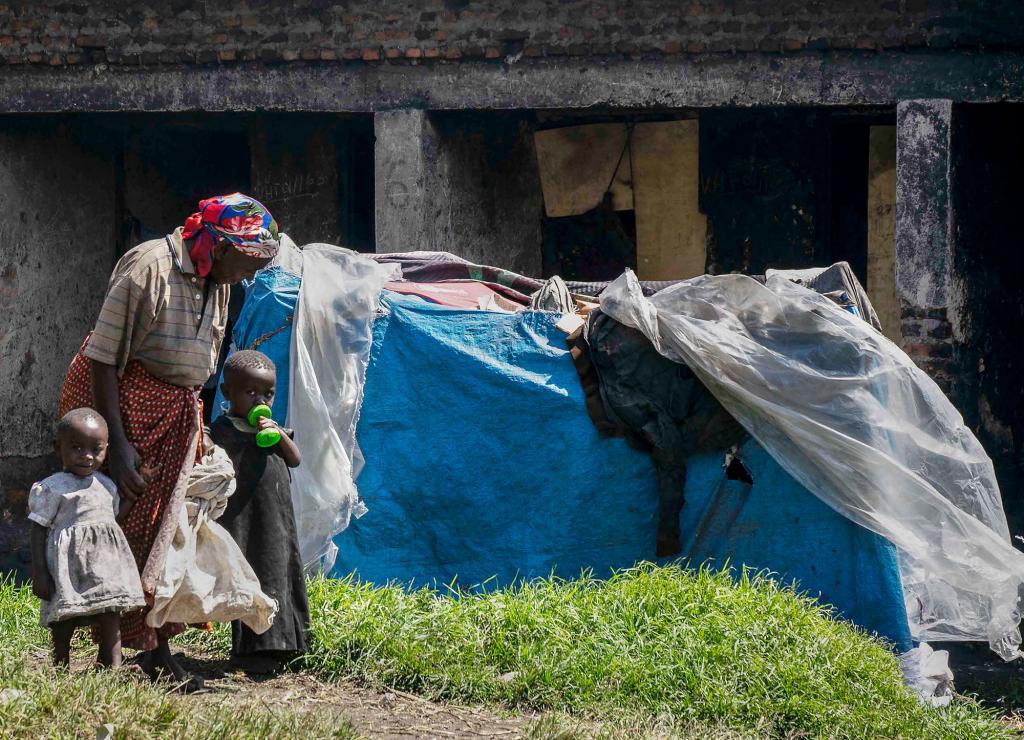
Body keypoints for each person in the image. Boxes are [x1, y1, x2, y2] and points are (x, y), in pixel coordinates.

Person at [58, 193, 280, 690]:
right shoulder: (149, 267)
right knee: (127, 522)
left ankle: (152, 644)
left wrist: (195, 428)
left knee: (166, 527)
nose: (250, 274)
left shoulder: (218, 279)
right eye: (248, 260)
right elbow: (103, 358)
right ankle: (119, 647)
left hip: (172, 410)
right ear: (220, 246)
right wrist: (116, 443)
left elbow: (199, 364)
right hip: (125, 402)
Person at [209, 350, 309, 674]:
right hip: (240, 515)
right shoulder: (222, 430)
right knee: (246, 573)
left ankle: (288, 644)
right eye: (250, 392)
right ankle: (249, 648)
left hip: (276, 514)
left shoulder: (272, 430)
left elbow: (294, 459)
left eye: (267, 393)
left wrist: (277, 433)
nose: (259, 400)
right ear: (226, 393)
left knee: (279, 569)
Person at [29, 408, 145, 668]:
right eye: (77, 448)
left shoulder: (106, 484)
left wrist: (137, 490)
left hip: (105, 565)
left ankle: (111, 662)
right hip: (68, 567)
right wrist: (39, 571)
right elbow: (37, 528)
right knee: (65, 617)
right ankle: (61, 663)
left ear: (107, 450)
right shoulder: (51, 487)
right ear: (58, 449)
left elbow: (114, 517)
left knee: (110, 610)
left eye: (96, 449)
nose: (87, 456)